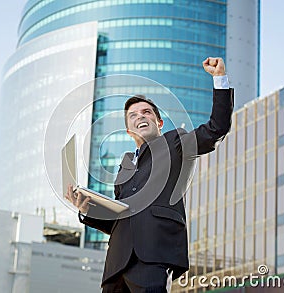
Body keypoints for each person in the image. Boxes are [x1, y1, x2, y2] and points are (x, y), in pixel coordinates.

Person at [65, 57, 234, 292]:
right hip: (116, 264)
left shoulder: (175, 142)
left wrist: (219, 79)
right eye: (133, 116)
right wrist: (87, 210)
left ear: (159, 122)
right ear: (128, 130)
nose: (140, 117)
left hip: (153, 254)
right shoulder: (124, 165)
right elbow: (120, 219)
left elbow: (216, 128)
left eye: (146, 112)